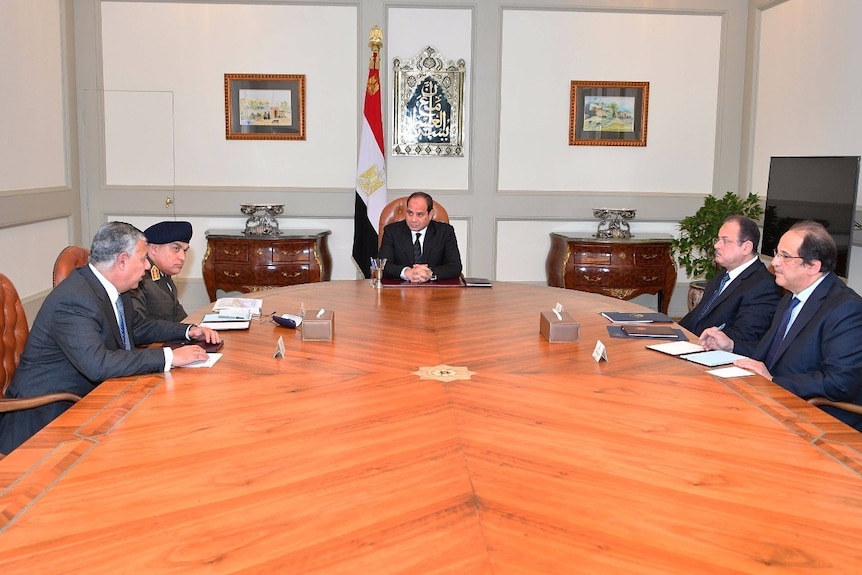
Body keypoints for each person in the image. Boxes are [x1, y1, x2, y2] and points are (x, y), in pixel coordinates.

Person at [0, 222, 221, 455]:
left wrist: (187, 332)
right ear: (122, 261)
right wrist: (170, 357)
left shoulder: (113, 289)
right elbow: (98, 364)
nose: (147, 267)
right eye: (144, 259)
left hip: (93, 401)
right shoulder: (74, 300)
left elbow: (137, 328)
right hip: (49, 418)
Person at [699, 220, 862, 431]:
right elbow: (771, 354)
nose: (774, 262)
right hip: (771, 399)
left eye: (785, 256)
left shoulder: (846, 310)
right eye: (777, 253)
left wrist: (773, 381)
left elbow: (839, 383)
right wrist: (731, 346)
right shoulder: (791, 297)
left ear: (813, 266)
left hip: (815, 417)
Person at [679, 215, 781, 342]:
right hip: (690, 345)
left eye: (725, 241)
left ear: (746, 247)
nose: (716, 245)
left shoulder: (763, 286)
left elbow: (745, 336)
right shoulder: (723, 275)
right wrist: (671, 333)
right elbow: (697, 317)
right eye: (718, 240)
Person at [378, 192, 462, 283]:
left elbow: (455, 266)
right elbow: (383, 265)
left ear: (430, 214)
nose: (413, 220)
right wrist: (406, 273)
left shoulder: (445, 232)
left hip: (435, 292)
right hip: (400, 292)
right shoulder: (392, 231)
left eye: (419, 214)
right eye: (410, 213)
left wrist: (430, 273)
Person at [130, 220, 193, 322]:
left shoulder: (164, 275)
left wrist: (194, 329)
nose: (182, 257)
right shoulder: (139, 278)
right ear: (154, 248)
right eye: (176, 249)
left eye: (185, 251)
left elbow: (178, 314)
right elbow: (139, 326)